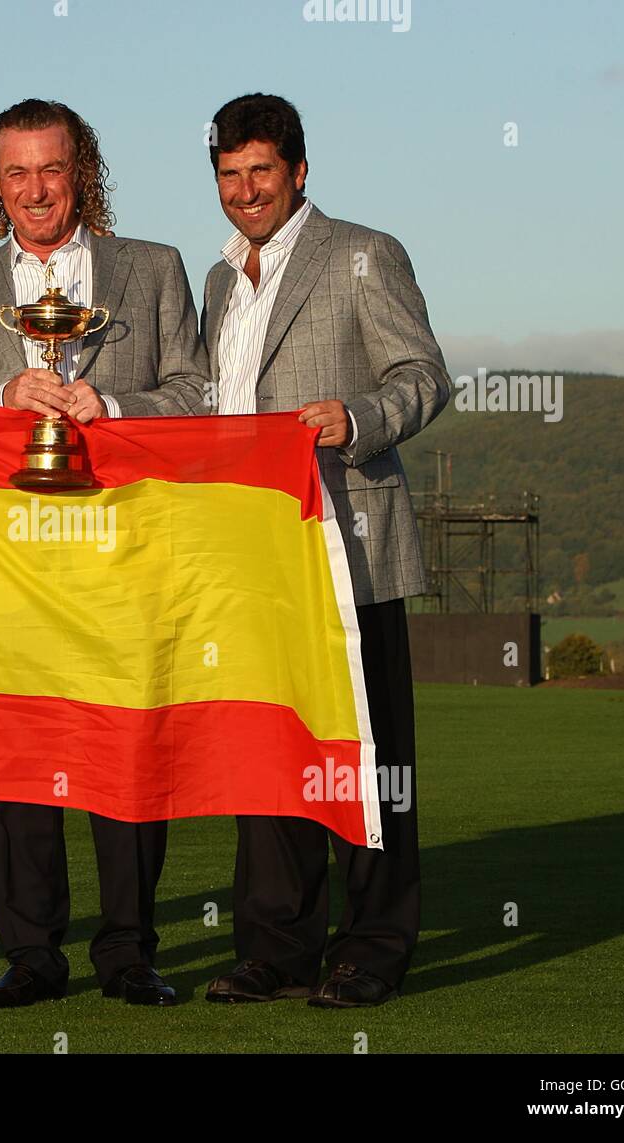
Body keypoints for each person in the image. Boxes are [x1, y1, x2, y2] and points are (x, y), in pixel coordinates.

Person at [0, 98, 210, 1008]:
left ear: (82, 170)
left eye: (52, 169)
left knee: (127, 748)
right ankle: (31, 952)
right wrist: (4, 392)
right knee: (12, 753)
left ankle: (128, 950)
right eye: (16, 173)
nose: (36, 190)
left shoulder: (154, 269)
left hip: (125, 550)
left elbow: (198, 394)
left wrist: (111, 410)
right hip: (6, 560)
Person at [198, 93, 450, 1008]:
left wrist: (360, 419)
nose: (246, 190)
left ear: (299, 171)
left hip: (351, 544)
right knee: (267, 752)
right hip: (250, 556)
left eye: (261, 171)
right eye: (229, 174)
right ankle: (277, 944)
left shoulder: (362, 253)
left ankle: (374, 946)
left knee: (370, 753)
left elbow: (425, 376)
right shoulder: (221, 279)